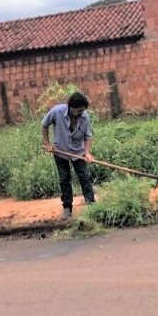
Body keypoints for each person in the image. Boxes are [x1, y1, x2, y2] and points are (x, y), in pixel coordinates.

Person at [41, 92, 96, 221]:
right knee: (64, 179)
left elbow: (88, 137)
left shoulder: (85, 117)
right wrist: (48, 144)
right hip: (61, 151)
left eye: (83, 110)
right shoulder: (57, 112)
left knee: (84, 177)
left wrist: (87, 153)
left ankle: (91, 204)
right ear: (70, 107)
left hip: (78, 152)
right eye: (79, 110)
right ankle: (67, 207)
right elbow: (44, 125)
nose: (81, 112)